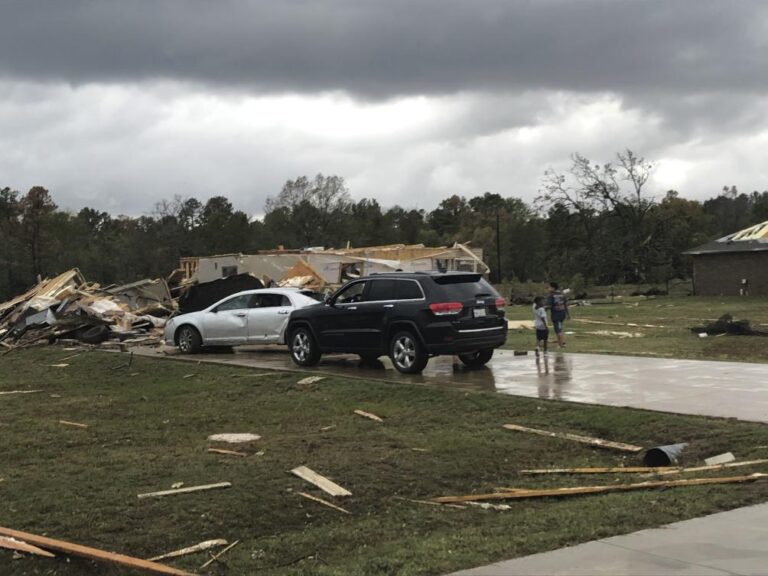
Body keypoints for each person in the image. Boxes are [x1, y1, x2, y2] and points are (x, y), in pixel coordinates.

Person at [546, 281, 570, 348]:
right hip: (562, 313)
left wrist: (543, 309)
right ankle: (560, 342)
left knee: (558, 329)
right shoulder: (562, 294)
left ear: (553, 288)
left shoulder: (551, 296)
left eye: (549, 287)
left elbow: (549, 306)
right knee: (558, 328)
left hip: (556, 314)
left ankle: (561, 344)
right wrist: (568, 314)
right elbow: (565, 305)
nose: (548, 289)